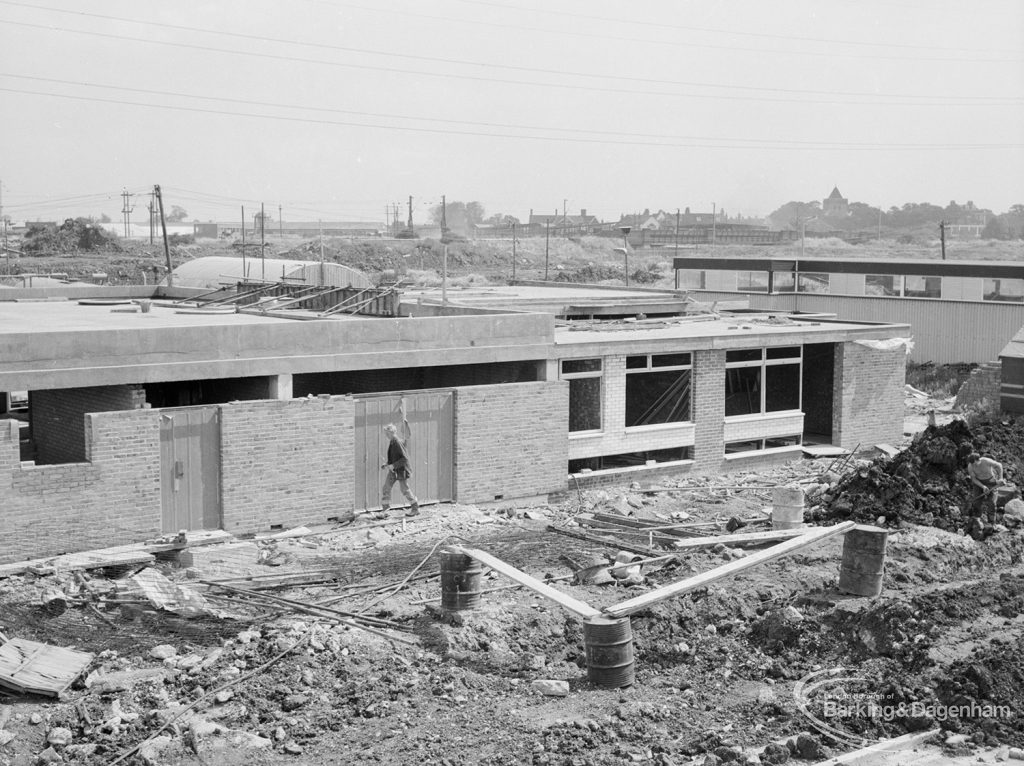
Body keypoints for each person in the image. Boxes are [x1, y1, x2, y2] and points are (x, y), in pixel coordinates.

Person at [380, 423, 419, 516]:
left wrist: (393, 465)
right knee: (386, 487)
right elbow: (395, 457)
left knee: (404, 489)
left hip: (401, 470)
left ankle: (415, 508)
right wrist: (387, 464)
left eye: (387, 434)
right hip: (394, 470)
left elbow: (404, 458)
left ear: (393, 432)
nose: (386, 435)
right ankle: (385, 510)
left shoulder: (397, 442)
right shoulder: (392, 442)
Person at [967, 452, 1004, 522]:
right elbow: (973, 479)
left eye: (975, 464)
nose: (974, 466)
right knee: (976, 502)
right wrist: (983, 486)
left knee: (992, 502)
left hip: (991, 481)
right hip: (979, 483)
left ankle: (991, 522)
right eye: (972, 464)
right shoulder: (970, 466)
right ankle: (976, 520)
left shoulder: (986, 461)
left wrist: (1000, 478)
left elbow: (999, 465)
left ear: (979, 460)